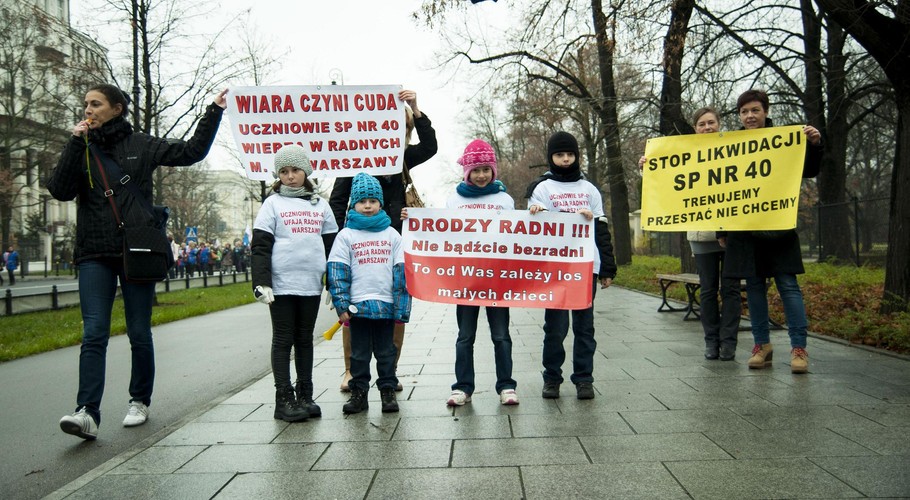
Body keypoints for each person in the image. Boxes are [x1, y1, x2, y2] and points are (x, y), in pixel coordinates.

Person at [47, 83, 227, 440]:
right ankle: (87, 412)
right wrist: (74, 142)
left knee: (139, 330)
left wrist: (214, 111)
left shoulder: (141, 144)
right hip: (94, 252)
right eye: (85, 104)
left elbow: (190, 151)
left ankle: (139, 400)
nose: (88, 110)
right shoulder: (82, 148)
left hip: (136, 250)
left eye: (95, 104)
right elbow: (60, 190)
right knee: (93, 331)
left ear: (116, 108)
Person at [329, 89, 437, 392]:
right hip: (357, 248)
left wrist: (416, 108)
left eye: (404, 129)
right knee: (353, 309)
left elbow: (430, 147)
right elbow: (337, 201)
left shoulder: (403, 159)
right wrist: (340, 241)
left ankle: (390, 371)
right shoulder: (355, 159)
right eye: (392, 126)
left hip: (393, 245)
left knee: (395, 308)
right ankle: (351, 371)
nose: (399, 134)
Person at [720, 89, 822, 374]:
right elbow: (718, 191)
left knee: (788, 286)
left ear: (765, 111)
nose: (750, 116)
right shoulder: (729, 145)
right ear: (739, 116)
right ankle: (761, 345)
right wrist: (722, 228)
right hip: (744, 229)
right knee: (753, 288)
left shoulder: (787, 140)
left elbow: (809, 170)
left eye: (755, 110)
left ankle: (798, 348)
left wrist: (814, 145)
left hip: (778, 227)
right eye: (744, 112)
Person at [639, 107, 742, 361]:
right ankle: (711, 341)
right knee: (708, 290)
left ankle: (728, 343)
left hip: (732, 234)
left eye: (711, 123)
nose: (707, 128)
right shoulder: (684, 152)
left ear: (719, 125)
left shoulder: (735, 149)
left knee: (730, 290)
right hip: (701, 235)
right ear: (695, 128)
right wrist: (647, 168)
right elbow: (666, 182)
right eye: (701, 124)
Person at [526, 131, 617, 400]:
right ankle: (552, 378)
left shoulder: (589, 189)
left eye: (570, 154)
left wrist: (608, 268)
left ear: (577, 156)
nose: (565, 159)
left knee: (584, 326)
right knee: (555, 328)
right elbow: (533, 230)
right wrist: (538, 215)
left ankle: (584, 379)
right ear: (550, 158)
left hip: (586, 268)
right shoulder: (540, 189)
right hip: (554, 269)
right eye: (559, 154)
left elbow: (601, 230)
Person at [429, 139, 520, 406]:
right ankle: (463, 388)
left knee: (501, 335)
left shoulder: (505, 199)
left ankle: (506, 386)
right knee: (465, 336)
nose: (481, 175)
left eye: (485, 169)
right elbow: (445, 233)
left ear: (493, 170)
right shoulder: (454, 199)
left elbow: (517, 238)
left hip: (498, 280)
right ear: (467, 172)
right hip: (466, 280)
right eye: (476, 170)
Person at [251, 144, 338, 422]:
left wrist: (332, 283)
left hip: (310, 284)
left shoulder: (321, 205)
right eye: (284, 171)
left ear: (306, 171)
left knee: (304, 339)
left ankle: (305, 395)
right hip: (281, 285)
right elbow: (261, 246)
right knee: (283, 339)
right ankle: (284, 398)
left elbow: (332, 247)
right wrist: (262, 282)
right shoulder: (272, 204)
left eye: (295, 170)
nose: (290, 176)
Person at [327, 173, 411, 414]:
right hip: (358, 309)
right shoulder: (346, 236)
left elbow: (402, 273)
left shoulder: (392, 235)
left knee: (386, 353)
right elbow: (337, 271)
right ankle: (359, 394)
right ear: (354, 204)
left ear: (380, 204)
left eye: (372, 201)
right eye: (362, 201)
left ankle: (387, 391)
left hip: (385, 307)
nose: (367, 206)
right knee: (359, 355)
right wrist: (341, 304)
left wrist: (401, 307)